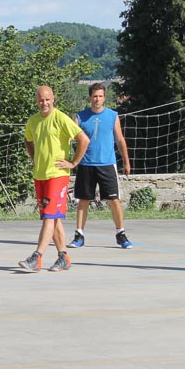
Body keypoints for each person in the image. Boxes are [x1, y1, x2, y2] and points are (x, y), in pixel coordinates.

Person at [19, 86, 90, 272]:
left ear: (53, 99)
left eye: (47, 99)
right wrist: (33, 157)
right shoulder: (33, 121)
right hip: (40, 175)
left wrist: (73, 162)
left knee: (49, 217)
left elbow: (84, 139)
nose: (44, 103)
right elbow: (28, 139)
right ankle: (63, 257)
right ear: (37, 101)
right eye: (41, 100)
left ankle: (36, 257)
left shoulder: (60, 118)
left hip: (57, 175)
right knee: (54, 218)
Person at [68, 83, 134, 249]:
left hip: (107, 164)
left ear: (104, 97)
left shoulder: (112, 116)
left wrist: (126, 161)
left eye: (100, 96)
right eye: (94, 96)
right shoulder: (80, 117)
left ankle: (121, 234)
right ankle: (79, 235)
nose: (97, 99)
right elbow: (68, 137)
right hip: (86, 164)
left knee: (114, 200)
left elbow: (120, 139)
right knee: (83, 200)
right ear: (90, 97)